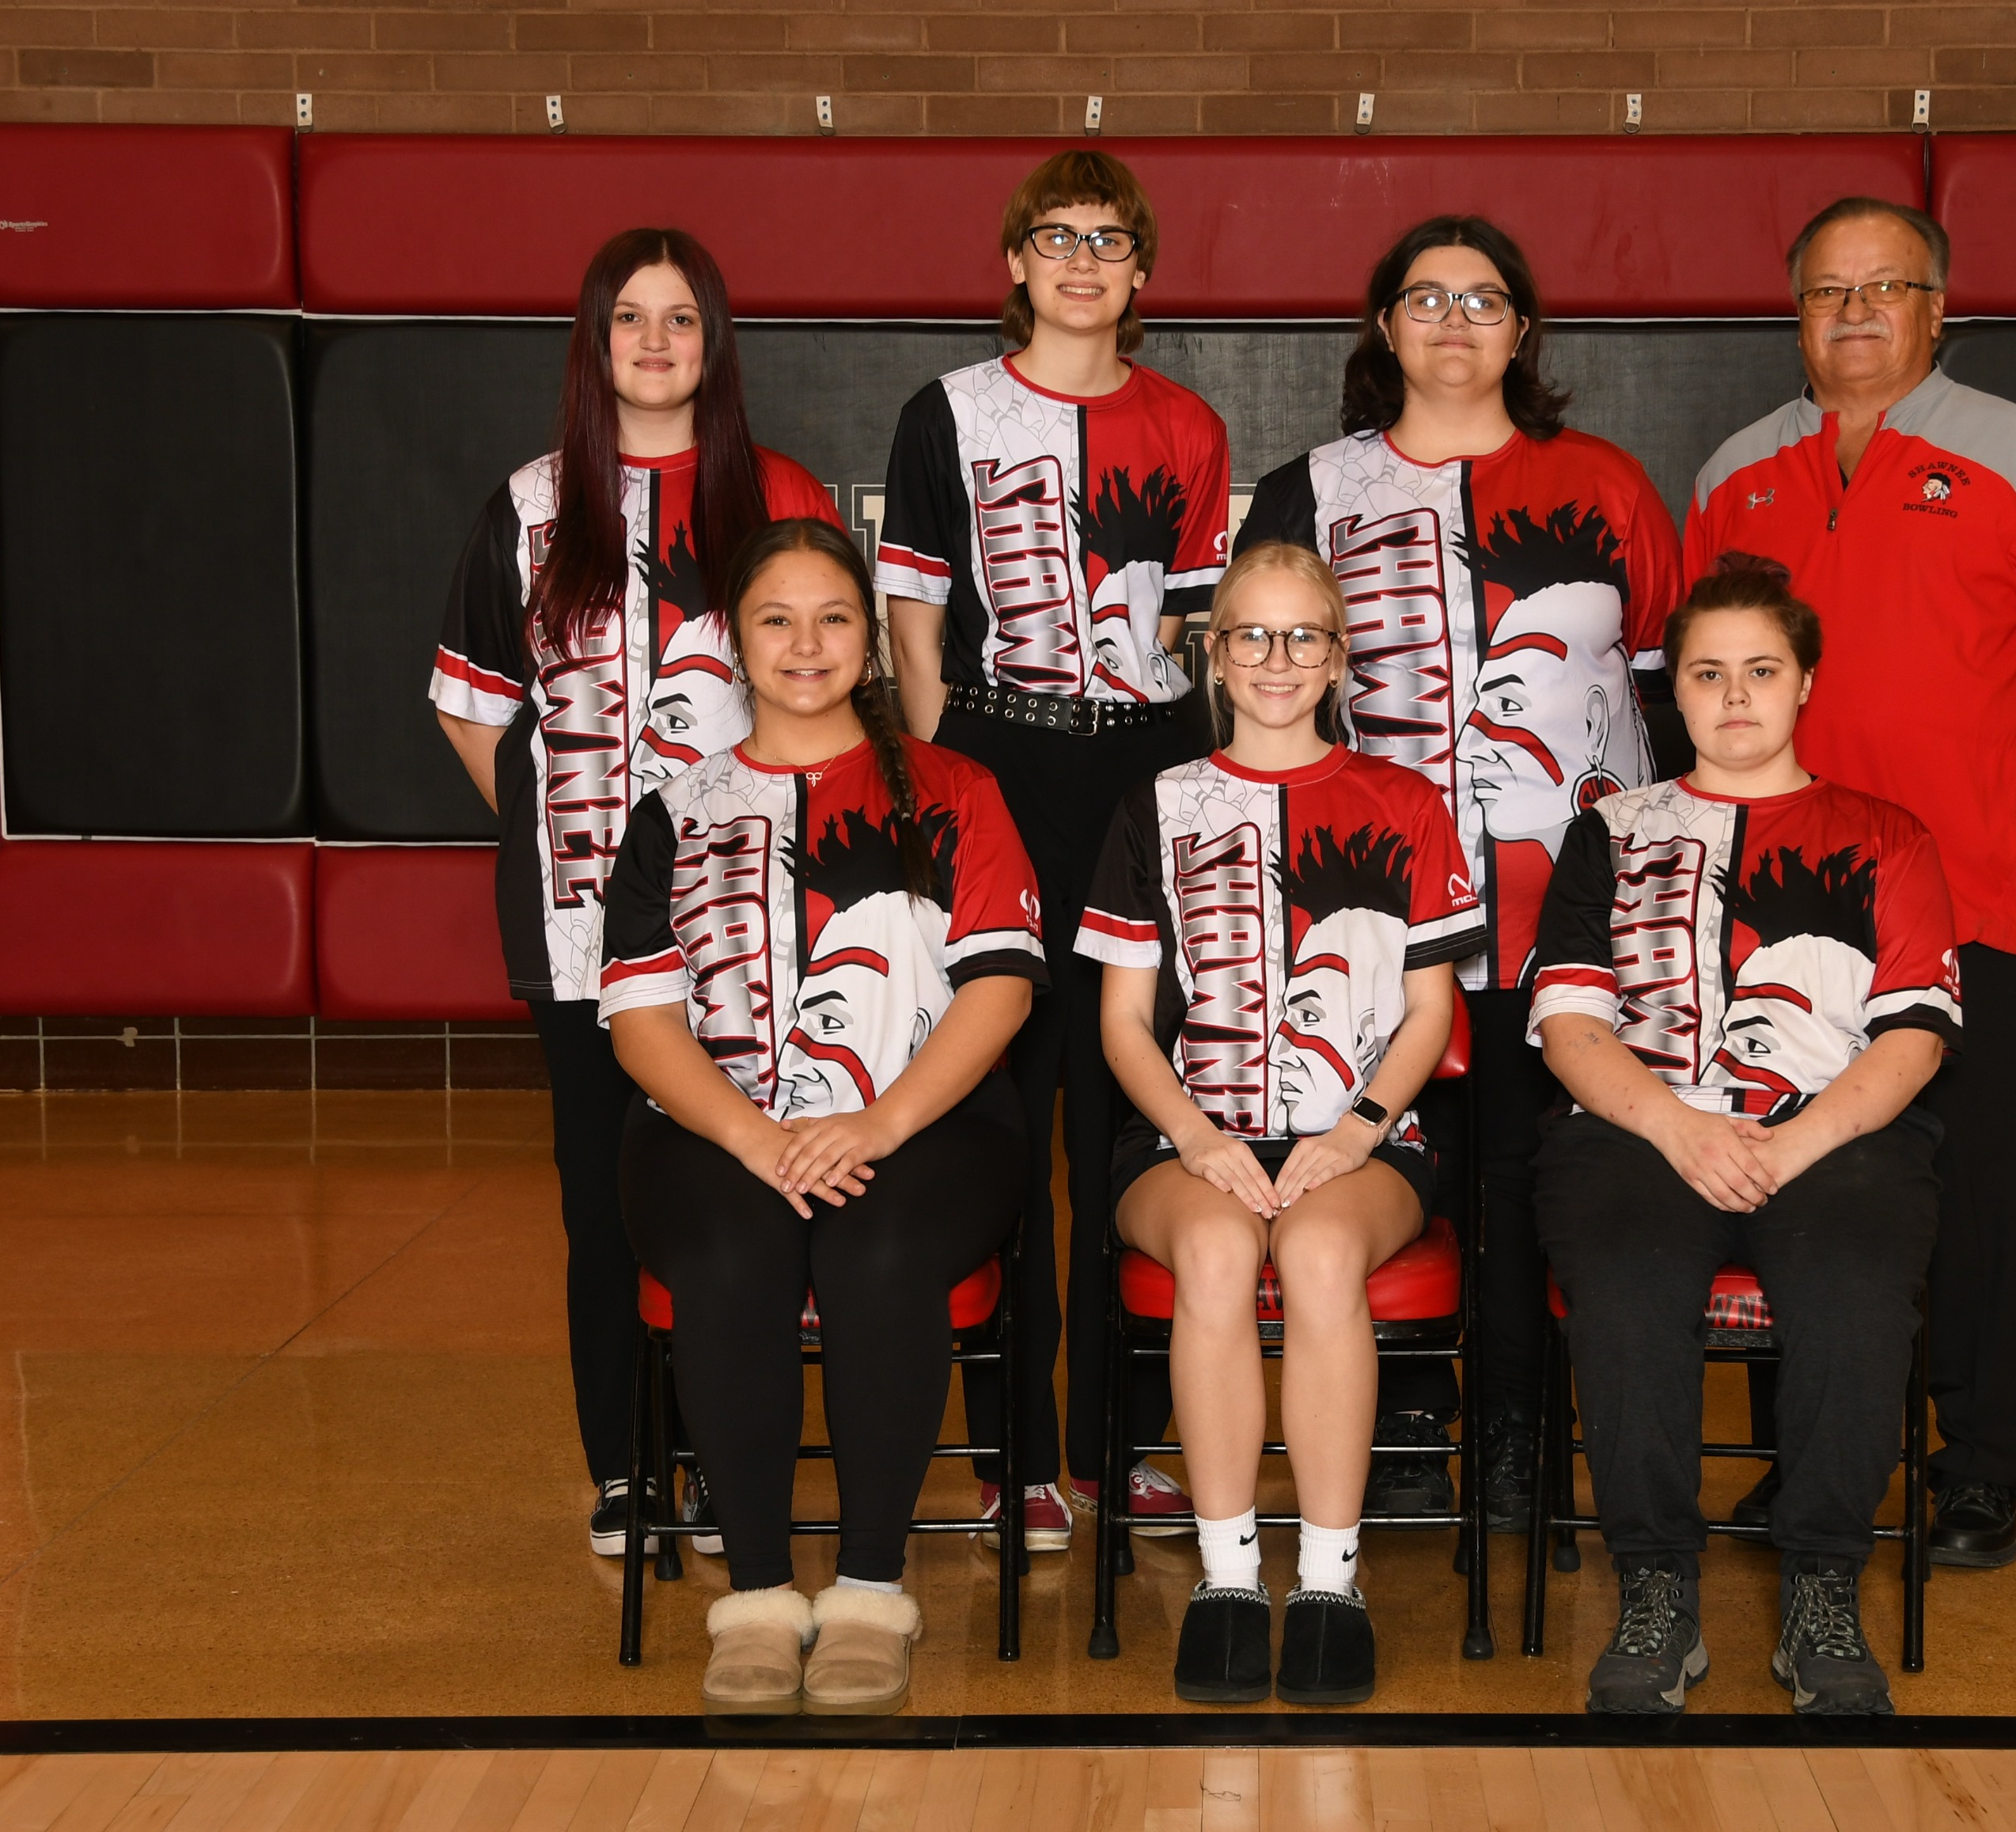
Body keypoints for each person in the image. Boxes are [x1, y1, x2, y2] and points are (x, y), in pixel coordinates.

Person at [1682, 198, 2016, 1568]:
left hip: (1966, 903)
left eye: (1884, 287)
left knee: (1982, 1194)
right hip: (1775, 920)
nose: (1854, 312)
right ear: (1794, 314)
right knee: (1791, 1183)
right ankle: (1811, 1461)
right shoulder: (1736, 473)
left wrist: (1998, 791)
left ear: (1935, 309)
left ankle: (1985, 1465)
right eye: (1827, 291)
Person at [1237, 214, 1683, 1529]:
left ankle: (1520, 1441)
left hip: (1570, 913)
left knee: (1543, 1183)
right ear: (1384, 326)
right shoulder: (1309, 491)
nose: (1453, 321)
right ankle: (1402, 1427)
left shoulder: (1604, 483)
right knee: (1412, 1175)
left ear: (1523, 329)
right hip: (1377, 921)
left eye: (1482, 300)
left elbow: (1659, 697)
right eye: (1423, 299)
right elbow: (1264, 714)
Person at [428, 227, 841, 1557]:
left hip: (754, 927)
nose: (655, 344)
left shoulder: (778, 494)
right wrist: (575, 856)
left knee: (736, 1185)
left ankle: (729, 1459)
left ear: (715, 343)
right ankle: (623, 1468)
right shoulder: (531, 504)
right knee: (601, 1196)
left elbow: (834, 692)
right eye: (629, 320)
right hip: (572, 928)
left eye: (681, 319)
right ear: (593, 344)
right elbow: (472, 708)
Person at [599, 518, 1043, 1716]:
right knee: (732, 1248)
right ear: (734, 640)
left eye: (835, 616)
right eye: (776, 618)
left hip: (928, 1122)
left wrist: (881, 1125)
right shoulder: (675, 809)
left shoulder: (957, 791)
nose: (808, 643)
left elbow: (1000, 987)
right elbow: (641, 1023)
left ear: (872, 638)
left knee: (877, 1248)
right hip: (711, 1122)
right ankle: (752, 1598)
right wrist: (753, 1137)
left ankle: (865, 1591)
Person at [873, 150, 1232, 1555]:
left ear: (1141, 271)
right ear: (1015, 261)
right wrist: (940, 788)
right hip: (994, 758)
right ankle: (1018, 1454)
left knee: (1132, 1117)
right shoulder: (943, 415)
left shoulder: (1188, 425)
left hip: (1139, 769)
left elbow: (1202, 645)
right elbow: (911, 625)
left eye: (1110, 239)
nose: (1083, 259)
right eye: (1055, 236)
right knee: (1007, 1125)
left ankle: (1122, 1444)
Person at [1530, 555, 1959, 1716]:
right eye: (1708, 674)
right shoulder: (1609, 833)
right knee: (1625, 1280)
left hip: (1834, 1133)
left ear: (1805, 682)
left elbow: (1914, 1037)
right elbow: (1567, 1027)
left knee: (1855, 1283)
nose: (1733, 698)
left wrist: (1790, 1148)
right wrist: (1678, 1129)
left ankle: (1823, 1582)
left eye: (1759, 671)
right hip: (1636, 1128)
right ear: (1674, 691)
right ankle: (1656, 1584)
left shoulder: (1884, 836)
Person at [1078, 542, 1483, 1705]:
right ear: (1210, 654)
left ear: (1340, 657)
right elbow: (1120, 1025)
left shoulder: (1404, 803)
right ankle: (1224, 1575)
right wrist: (1198, 1138)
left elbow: (1426, 1012)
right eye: (1249, 635)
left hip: (1358, 1138)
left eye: (1303, 636)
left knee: (1313, 1251)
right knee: (1213, 1245)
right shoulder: (1152, 804)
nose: (1275, 660)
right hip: (1182, 1135)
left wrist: (1355, 1128)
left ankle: (1327, 1578)